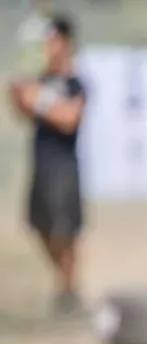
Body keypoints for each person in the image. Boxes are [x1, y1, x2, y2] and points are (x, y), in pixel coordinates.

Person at [7, 15, 87, 314]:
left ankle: (68, 289)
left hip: (64, 166)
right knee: (40, 225)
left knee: (65, 229)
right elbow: (24, 112)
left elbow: (69, 119)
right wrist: (18, 94)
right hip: (41, 163)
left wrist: (38, 100)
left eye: (52, 40)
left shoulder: (75, 83)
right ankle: (63, 283)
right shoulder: (39, 80)